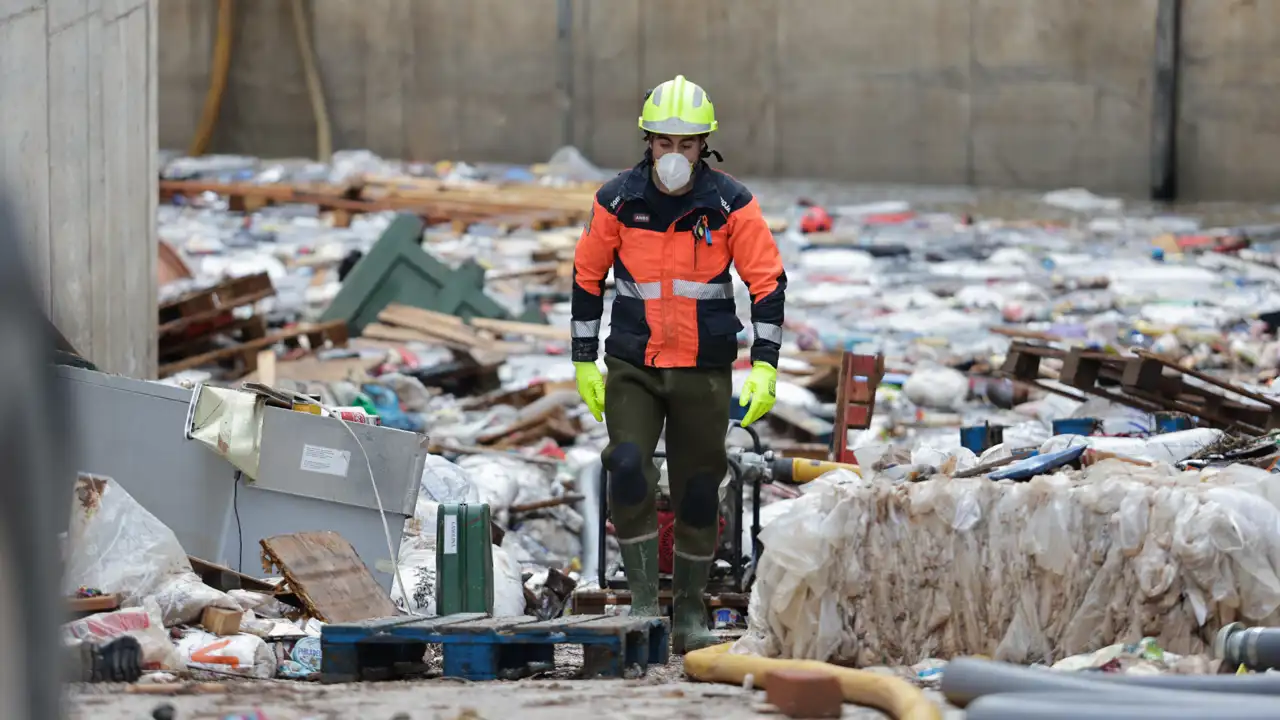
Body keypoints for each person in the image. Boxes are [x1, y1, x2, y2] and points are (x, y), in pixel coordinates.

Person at [570, 75, 786, 653]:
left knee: (697, 490)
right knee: (629, 464)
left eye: (685, 144)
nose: (673, 155)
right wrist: (584, 361)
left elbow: (767, 281)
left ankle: (689, 610)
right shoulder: (617, 200)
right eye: (663, 142)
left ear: (704, 146)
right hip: (634, 366)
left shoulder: (729, 204)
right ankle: (644, 605)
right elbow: (587, 277)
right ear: (647, 141)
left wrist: (765, 364)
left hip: (703, 370)